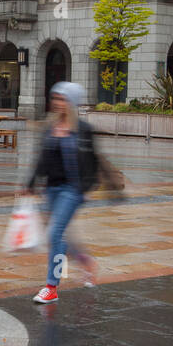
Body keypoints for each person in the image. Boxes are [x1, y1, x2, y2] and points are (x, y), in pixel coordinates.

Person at [22, 81, 108, 304]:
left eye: (62, 99)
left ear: (72, 103)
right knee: (59, 236)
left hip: (72, 189)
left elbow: (93, 160)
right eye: (55, 98)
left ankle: (52, 286)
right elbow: (41, 159)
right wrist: (30, 184)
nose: (57, 103)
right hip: (51, 188)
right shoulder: (49, 128)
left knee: (54, 235)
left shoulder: (82, 130)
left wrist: (85, 188)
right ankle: (85, 260)